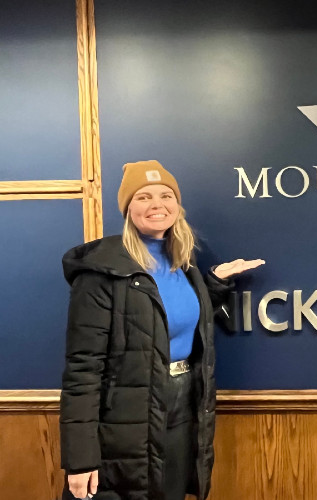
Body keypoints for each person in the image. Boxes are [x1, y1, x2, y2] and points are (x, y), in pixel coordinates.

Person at [60, 160, 264, 500]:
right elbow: (82, 370)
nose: (157, 204)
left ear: (177, 205)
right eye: (143, 197)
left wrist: (212, 284)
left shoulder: (182, 264)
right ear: (127, 209)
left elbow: (162, 319)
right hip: (126, 416)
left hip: (184, 403)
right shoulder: (101, 273)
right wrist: (80, 461)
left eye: (166, 195)